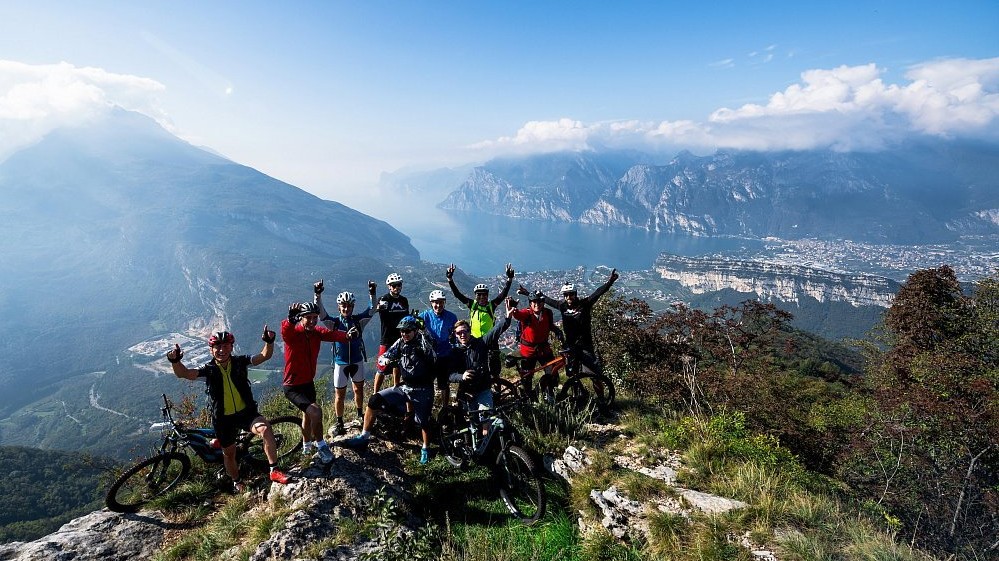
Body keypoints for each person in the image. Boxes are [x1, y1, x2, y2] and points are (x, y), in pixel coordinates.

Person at [165, 328, 290, 492]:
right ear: (211, 349)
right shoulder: (208, 370)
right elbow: (184, 374)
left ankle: (273, 470)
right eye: (217, 347)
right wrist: (175, 361)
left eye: (225, 346)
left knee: (266, 429)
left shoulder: (240, 362)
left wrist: (269, 342)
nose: (221, 350)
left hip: (246, 413)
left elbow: (264, 356)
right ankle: (236, 481)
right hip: (223, 420)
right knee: (229, 454)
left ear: (231, 347)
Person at [345, 316, 437, 464]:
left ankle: (425, 448)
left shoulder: (422, 342)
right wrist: (386, 360)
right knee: (374, 401)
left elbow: (430, 346)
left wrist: (423, 329)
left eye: (407, 331)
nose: (404, 334)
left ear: (415, 330)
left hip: (422, 389)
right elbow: (385, 355)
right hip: (405, 387)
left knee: (423, 422)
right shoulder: (401, 342)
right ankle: (364, 437)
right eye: (402, 331)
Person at [281, 300, 355, 463]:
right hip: (292, 385)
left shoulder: (315, 332)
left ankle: (306, 447)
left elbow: (331, 335)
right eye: (309, 318)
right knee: (316, 412)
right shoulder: (294, 334)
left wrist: (347, 336)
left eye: (315, 317)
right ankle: (321, 446)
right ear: (301, 318)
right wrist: (289, 321)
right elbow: (286, 332)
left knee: (308, 415)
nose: (313, 321)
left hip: (308, 382)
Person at [526, 268, 619, 377]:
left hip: (585, 345)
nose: (568, 297)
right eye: (566, 295)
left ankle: (601, 394)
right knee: (572, 374)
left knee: (593, 375)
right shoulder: (562, 306)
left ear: (575, 294)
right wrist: (527, 293)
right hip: (570, 345)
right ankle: (576, 393)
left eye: (571, 294)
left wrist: (610, 282)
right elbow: (545, 299)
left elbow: (598, 293)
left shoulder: (585, 304)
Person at [315, 279, 376, 436]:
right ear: (339, 307)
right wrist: (317, 295)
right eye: (343, 305)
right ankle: (340, 421)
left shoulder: (358, 321)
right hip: (340, 363)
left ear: (353, 306)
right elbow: (321, 314)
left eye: (349, 305)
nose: (346, 308)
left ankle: (359, 414)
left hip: (357, 361)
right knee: (339, 395)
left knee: (358, 390)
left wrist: (372, 293)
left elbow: (371, 309)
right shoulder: (334, 323)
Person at [447, 299, 516, 429]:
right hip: (466, 393)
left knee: (486, 423)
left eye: (465, 331)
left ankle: (487, 447)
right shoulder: (454, 352)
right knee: (472, 426)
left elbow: (495, 331)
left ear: (470, 331)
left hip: (483, 390)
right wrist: (462, 376)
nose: (462, 335)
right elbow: (450, 375)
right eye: (459, 333)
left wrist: (507, 318)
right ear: (455, 335)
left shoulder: (481, 343)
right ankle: (475, 448)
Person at [446, 263, 515, 378]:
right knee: (475, 366)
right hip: (474, 341)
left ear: (487, 296)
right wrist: (450, 279)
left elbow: (502, 295)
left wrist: (509, 279)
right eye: (479, 295)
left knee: (494, 369)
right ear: (475, 296)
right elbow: (458, 295)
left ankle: (496, 389)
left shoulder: (491, 305)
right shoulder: (472, 305)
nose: (482, 297)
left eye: (484, 295)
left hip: (490, 340)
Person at [510, 288, 563, 396]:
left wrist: (558, 331)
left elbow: (550, 325)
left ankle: (549, 393)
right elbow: (517, 315)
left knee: (552, 372)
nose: (537, 304)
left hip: (544, 349)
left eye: (539, 301)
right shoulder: (527, 313)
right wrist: (513, 308)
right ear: (530, 303)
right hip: (528, 351)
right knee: (527, 377)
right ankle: (528, 397)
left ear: (543, 303)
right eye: (534, 302)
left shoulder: (548, 313)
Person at [416, 289, 458, 405]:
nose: (438, 305)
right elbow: (414, 326)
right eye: (435, 302)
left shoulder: (451, 317)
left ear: (444, 303)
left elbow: (456, 335)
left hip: (445, 356)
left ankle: (445, 408)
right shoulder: (425, 315)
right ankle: (427, 407)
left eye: (441, 302)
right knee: (427, 384)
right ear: (431, 303)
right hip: (429, 356)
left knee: (444, 384)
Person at [374, 273, 409, 393]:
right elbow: (377, 310)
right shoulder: (384, 299)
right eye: (393, 285)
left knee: (398, 365)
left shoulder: (404, 301)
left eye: (398, 285)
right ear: (389, 286)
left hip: (400, 338)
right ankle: (375, 394)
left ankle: (396, 388)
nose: (396, 287)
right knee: (381, 368)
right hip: (386, 339)